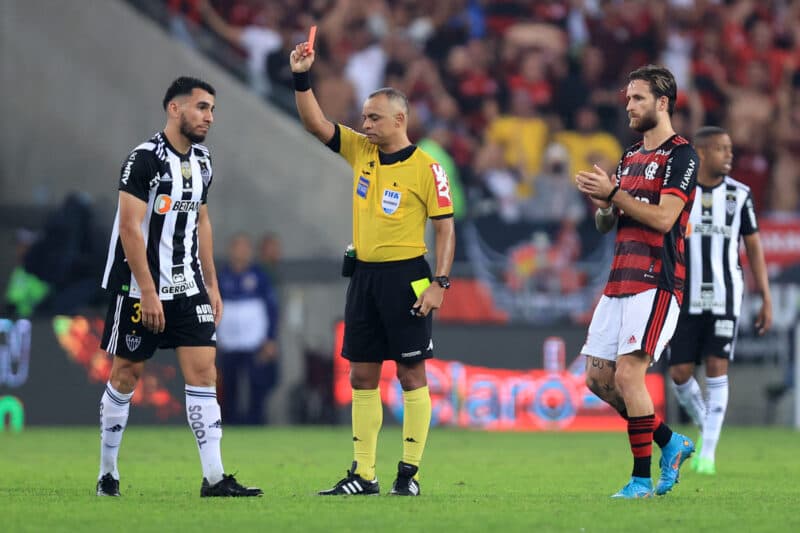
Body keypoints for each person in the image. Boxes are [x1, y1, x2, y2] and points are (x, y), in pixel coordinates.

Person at [290, 39, 456, 496]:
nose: (365, 124)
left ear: (399, 119)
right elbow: (315, 122)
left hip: (407, 278)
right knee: (362, 376)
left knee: (410, 374)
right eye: (364, 117)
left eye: (374, 117)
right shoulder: (361, 150)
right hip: (363, 277)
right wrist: (302, 76)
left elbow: (445, 229)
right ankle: (364, 474)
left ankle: (409, 474)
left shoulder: (428, 168)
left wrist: (440, 283)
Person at [95, 77, 261, 498]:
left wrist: (212, 282)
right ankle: (107, 473)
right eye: (202, 108)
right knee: (126, 374)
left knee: (205, 372)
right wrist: (148, 291)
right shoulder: (144, 159)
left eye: (212, 110)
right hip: (138, 288)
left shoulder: (203, 161)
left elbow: (201, 221)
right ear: (175, 109)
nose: (209, 117)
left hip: (187, 288)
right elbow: (131, 228)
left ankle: (215, 478)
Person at [575, 65, 699, 499]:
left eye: (638, 98)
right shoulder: (629, 156)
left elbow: (665, 218)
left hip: (657, 280)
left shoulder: (682, 155)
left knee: (629, 376)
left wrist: (614, 195)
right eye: (628, 99)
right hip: (619, 280)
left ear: (662, 103)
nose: (629, 106)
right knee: (597, 379)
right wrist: (604, 204)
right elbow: (608, 222)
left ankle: (641, 481)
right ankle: (671, 442)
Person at [668, 126, 772, 475]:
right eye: (721, 149)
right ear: (701, 153)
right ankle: (705, 425)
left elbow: (754, 247)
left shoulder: (740, 195)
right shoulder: (679, 195)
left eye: (730, 148)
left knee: (716, 367)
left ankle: (707, 454)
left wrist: (766, 297)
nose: (729, 155)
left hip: (726, 297)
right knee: (680, 374)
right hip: (684, 297)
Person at [216, 233, 280, 425]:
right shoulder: (222, 277)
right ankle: (230, 424)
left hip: (254, 342)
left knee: (256, 385)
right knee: (229, 386)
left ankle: (257, 422)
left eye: (245, 248)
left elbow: (271, 308)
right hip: (228, 342)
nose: (241, 252)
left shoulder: (260, 276)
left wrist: (270, 338)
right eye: (238, 247)